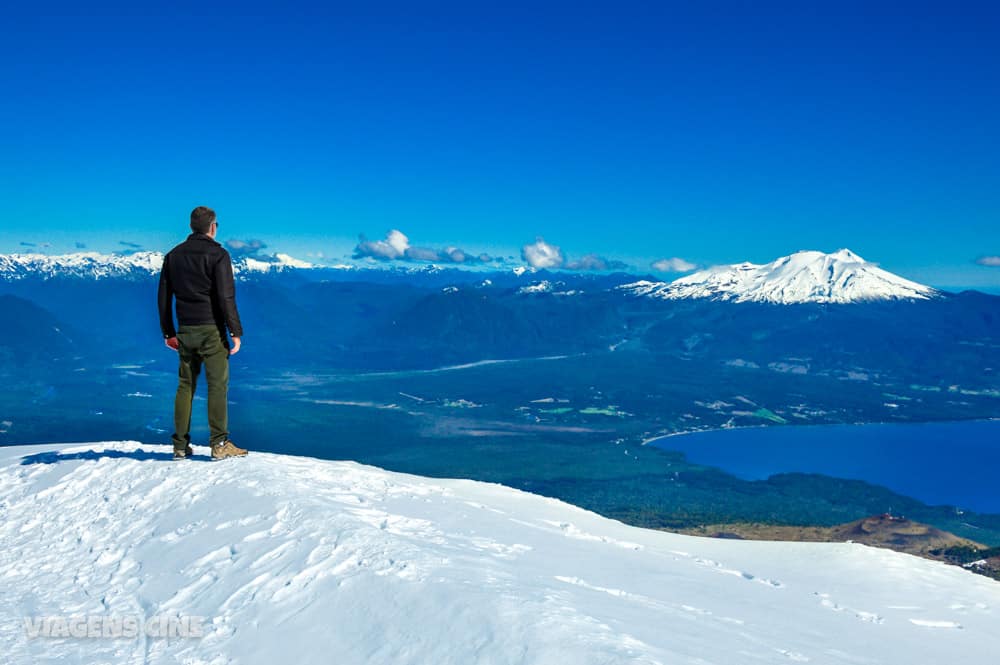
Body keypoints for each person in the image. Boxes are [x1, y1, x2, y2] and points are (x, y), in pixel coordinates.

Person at [158, 206, 248, 460]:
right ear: (212, 227)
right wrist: (235, 331)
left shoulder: (173, 256)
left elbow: (164, 298)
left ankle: (179, 445)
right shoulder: (219, 255)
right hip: (212, 331)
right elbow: (225, 296)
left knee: (185, 385)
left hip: (185, 330)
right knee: (217, 386)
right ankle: (219, 444)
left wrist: (168, 332)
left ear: (191, 226)